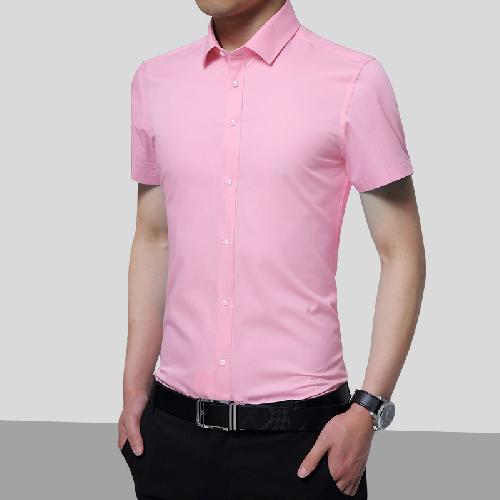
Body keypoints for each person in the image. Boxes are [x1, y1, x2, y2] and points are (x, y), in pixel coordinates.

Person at [117, 1, 426, 498]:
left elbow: (401, 252)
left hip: (304, 443)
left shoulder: (354, 80)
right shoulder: (155, 81)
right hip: (171, 433)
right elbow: (155, 235)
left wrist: (367, 409)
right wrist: (134, 388)